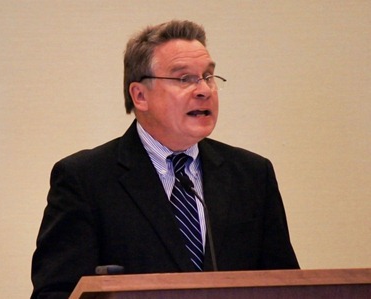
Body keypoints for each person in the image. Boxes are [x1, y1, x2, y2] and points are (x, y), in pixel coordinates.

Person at [31, 20, 299, 298]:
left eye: (208, 76)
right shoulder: (85, 179)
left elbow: (287, 286)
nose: (204, 90)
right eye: (185, 79)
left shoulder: (252, 175)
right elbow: (55, 292)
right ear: (140, 95)